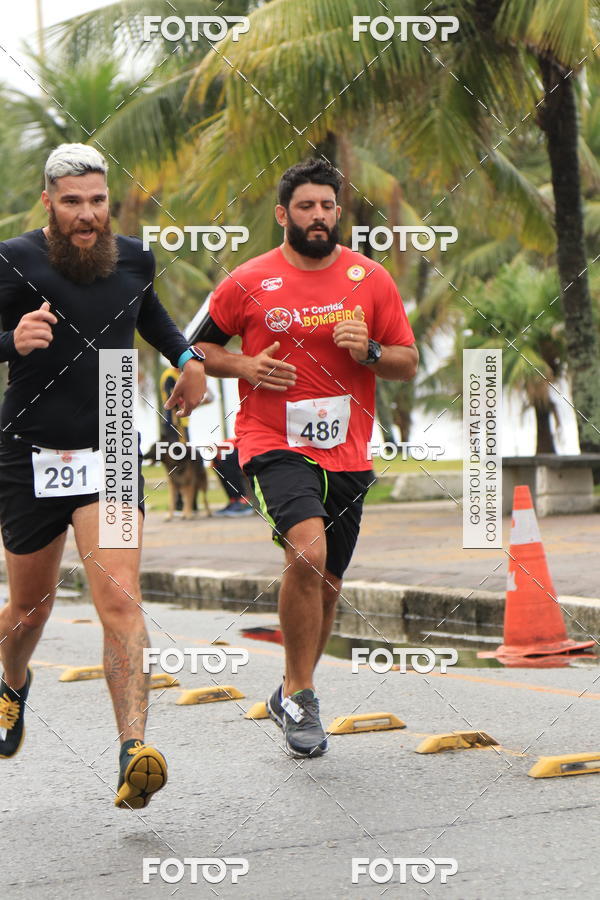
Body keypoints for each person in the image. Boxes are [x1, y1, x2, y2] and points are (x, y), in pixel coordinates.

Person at [0, 143, 206, 808]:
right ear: (49, 205)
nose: (86, 215)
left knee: (120, 601)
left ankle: (132, 750)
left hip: (113, 445)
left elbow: (154, 321)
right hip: (29, 451)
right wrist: (12, 341)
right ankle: (11, 681)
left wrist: (188, 356)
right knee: (29, 607)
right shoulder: (15, 259)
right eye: (72, 204)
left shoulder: (134, 259)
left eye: (96, 201)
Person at [192, 158, 418, 758]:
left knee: (329, 582)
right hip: (272, 441)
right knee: (308, 552)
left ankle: (291, 689)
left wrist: (369, 350)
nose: (318, 217)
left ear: (338, 213)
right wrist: (244, 365)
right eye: (305, 207)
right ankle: (303, 694)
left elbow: (406, 360)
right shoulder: (247, 281)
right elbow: (197, 346)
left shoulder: (370, 279)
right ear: (282, 215)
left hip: (347, 451)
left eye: (326, 207)